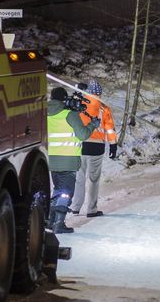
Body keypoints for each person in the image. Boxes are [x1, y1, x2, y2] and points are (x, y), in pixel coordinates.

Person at [47, 87, 98, 233]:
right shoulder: (70, 115)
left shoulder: (44, 114)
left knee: (58, 191)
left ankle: (50, 222)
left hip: (51, 160)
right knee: (66, 193)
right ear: (64, 99)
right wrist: (92, 125)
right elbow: (82, 135)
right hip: (68, 160)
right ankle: (59, 224)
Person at [71, 79, 117, 218]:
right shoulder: (104, 108)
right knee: (93, 179)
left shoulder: (80, 104)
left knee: (79, 178)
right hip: (97, 147)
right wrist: (113, 145)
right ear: (100, 93)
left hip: (80, 145)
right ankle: (91, 209)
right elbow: (109, 129)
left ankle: (75, 207)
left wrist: (78, 91)